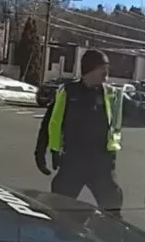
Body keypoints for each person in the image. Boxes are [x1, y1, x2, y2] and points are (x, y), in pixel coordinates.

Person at [34, 49, 125, 218]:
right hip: (72, 164)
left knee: (113, 212)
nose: (107, 74)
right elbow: (49, 123)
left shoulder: (110, 94)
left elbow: (141, 112)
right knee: (59, 213)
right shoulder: (69, 92)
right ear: (90, 69)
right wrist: (40, 153)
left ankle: (114, 241)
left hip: (101, 166)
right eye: (103, 69)